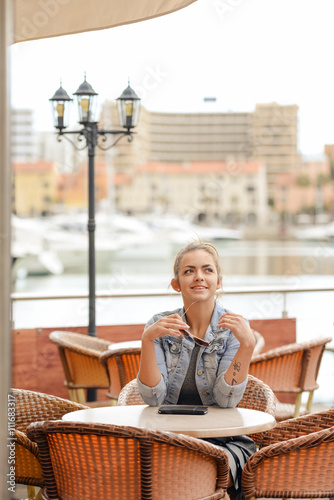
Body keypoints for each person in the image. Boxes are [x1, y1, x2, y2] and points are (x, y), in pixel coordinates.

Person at [137, 241, 257, 499]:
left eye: (207, 270)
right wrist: (147, 340)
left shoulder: (234, 328)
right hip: (166, 438)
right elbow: (153, 398)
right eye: (189, 271)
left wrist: (248, 345)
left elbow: (226, 400)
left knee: (188, 471)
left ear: (218, 281)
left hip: (222, 442)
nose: (199, 277)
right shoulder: (159, 326)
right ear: (176, 284)